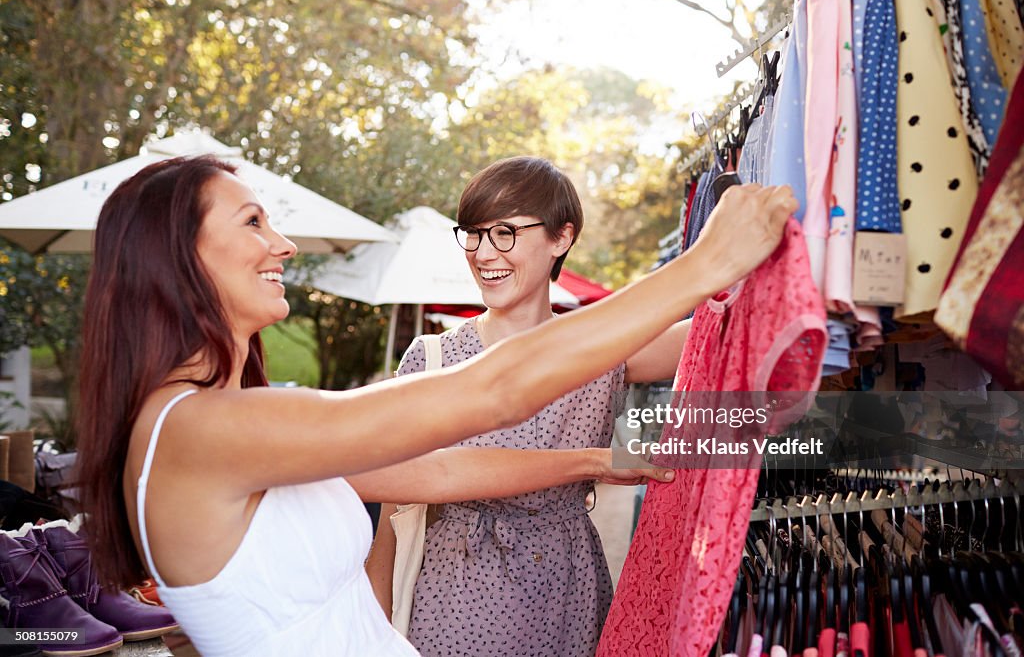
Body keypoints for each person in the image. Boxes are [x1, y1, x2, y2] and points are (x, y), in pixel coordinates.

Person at [74, 155, 796, 656]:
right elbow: (493, 392)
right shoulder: (205, 430)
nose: (285, 245)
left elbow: (444, 473)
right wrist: (702, 266)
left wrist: (595, 459)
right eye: (255, 223)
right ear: (182, 254)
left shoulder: (236, 425)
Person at [366, 156, 697, 657]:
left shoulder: (599, 349)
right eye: (473, 233)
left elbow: (719, 339)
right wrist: (372, 632)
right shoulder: (431, 357)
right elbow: (394, 512)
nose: (483, 252)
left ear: (561, 239)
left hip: (567, 589)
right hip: (454, 597)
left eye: (505, 232)